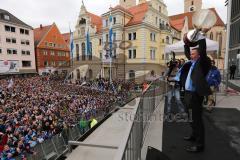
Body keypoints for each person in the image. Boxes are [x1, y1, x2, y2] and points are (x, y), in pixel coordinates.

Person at [180, 34, 212, 153]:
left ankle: (200, 145)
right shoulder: (193, 62)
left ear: (199, 55)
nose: (190, 56)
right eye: (191, 54)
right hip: (188, 94)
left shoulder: (203, 62)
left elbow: (203, 51)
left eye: (193, 54)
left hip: (196, 95)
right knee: (191, 117)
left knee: (197, 120)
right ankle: (194, 135)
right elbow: (188, 54)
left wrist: (201, 37)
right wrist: (185, 44)